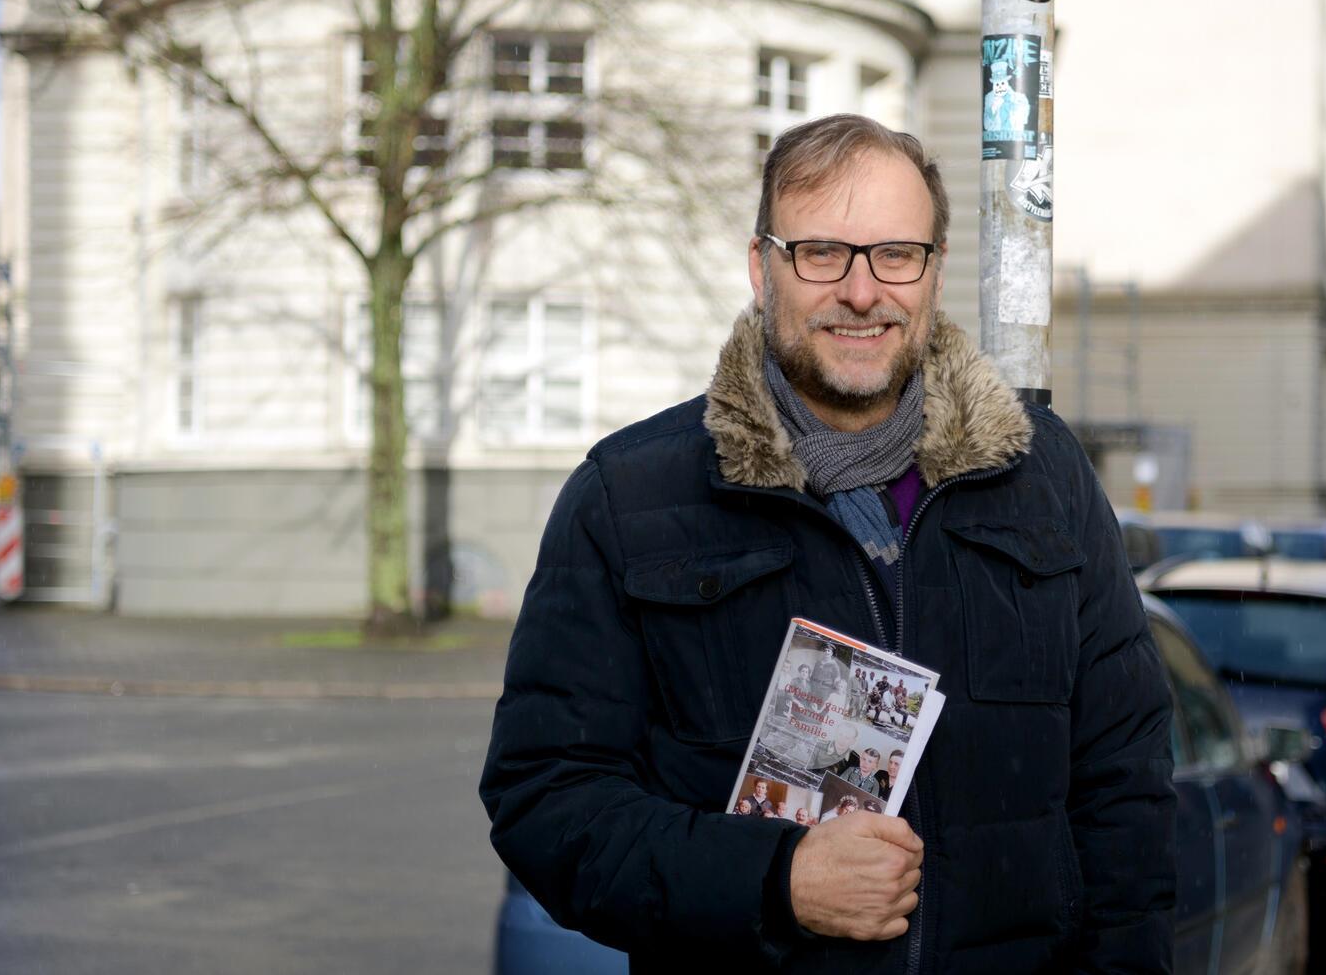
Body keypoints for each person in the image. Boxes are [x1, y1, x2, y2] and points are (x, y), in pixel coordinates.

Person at [481, 113, 1177, 971]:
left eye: (895, 253)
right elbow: (547, 801)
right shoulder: (629, 497)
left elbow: (1126, 787)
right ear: (761, 267)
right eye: (822, 252)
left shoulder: (1045, 475)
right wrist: (775, 878)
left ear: (933, 272)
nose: (861, 290)